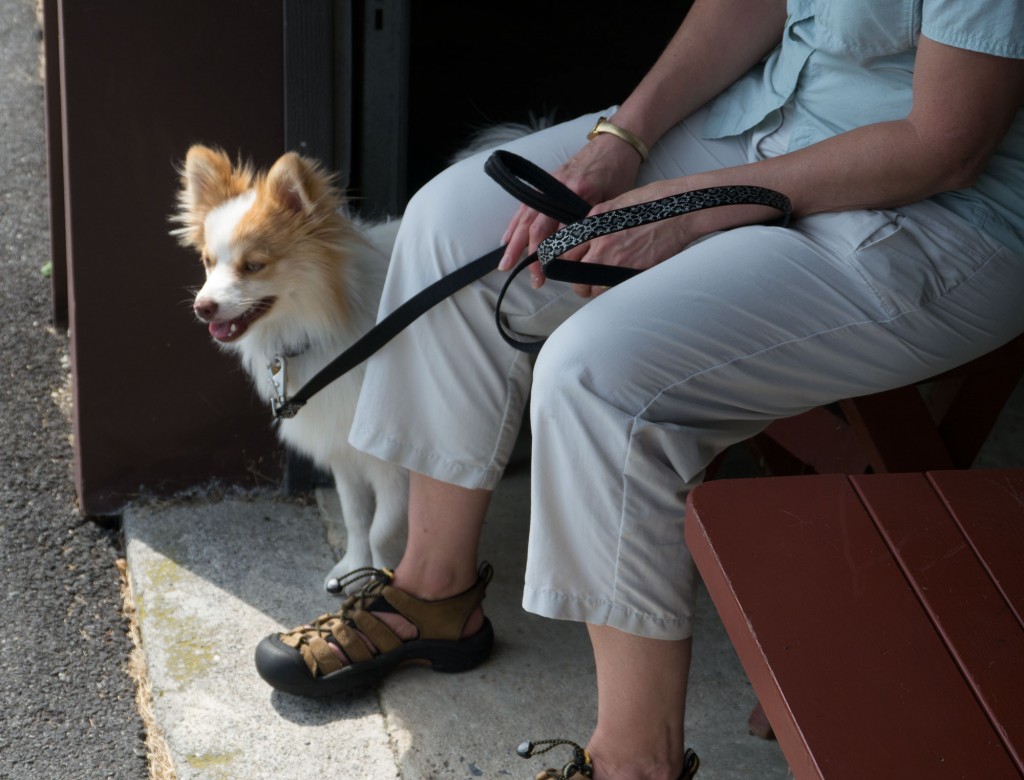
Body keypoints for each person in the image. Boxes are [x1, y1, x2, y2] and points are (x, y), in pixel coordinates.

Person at [254, 1, 1024, 777]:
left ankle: (634, 761)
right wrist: (621, 137)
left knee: (601, 374)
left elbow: (945, 145)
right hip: (769, 113)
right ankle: (433, 594)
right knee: (454, 222)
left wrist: (694, 210)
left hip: (928, 210)